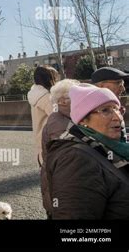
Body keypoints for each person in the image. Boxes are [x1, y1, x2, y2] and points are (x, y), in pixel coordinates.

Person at [46, 84, 129, 219]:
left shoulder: (113, 147)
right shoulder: (76, 160)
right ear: (84, 120)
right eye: (105, 110)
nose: (117, 117)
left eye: (117, 109)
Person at [40, 79, 79, 218]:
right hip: (64, 199)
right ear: (63, 102)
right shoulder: (60, 126)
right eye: (77, 95)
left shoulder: (64, 119)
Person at [27, 65, 59, 165]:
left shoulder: (35, 94)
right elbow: (58, 117)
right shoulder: (46, 97)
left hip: (41, 141)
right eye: (55, 77)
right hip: (50, 141)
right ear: (49, 79)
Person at [92, 67, 128, 142]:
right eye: (118, 83)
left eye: (122, 84)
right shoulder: (92, 112)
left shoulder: (118, 108)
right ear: (101, 86)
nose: (123, 88)